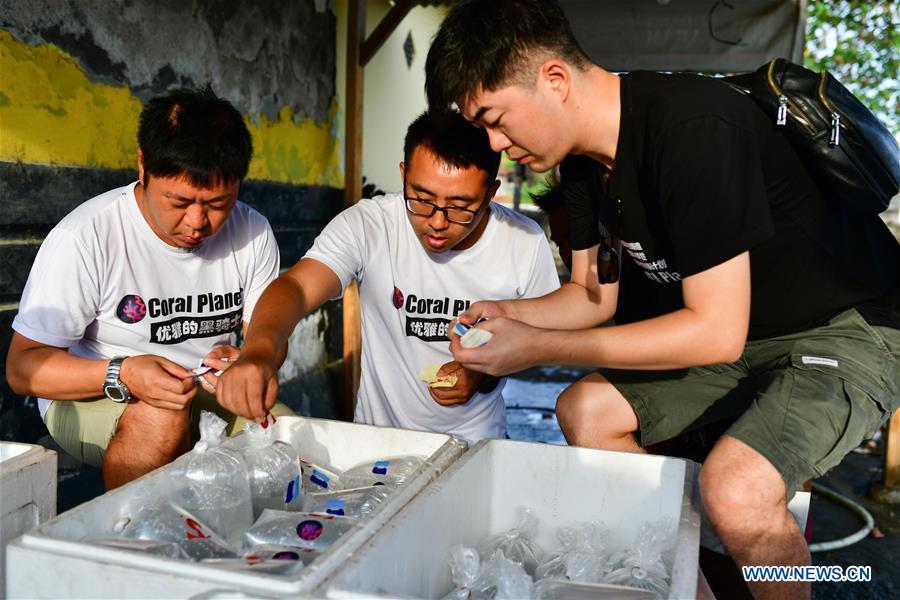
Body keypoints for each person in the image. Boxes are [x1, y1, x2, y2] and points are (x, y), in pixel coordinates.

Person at [425, 1, 900, 598]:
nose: (495, 142)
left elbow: (714, 333)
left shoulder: (691, 128)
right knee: (586, 412)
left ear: (554, 78)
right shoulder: (580, 166)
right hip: (752, 332)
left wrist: (537, 347)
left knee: (737, 488)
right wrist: (511, 315)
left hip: (851, 328)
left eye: (495, 118)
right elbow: (591, 295)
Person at [7, 89, 292, 490]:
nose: (197, 221)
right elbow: (22, 369)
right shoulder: (87, 236)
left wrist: (249, 360)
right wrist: (121, 373)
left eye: (218, 203)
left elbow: (269, 335)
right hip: (94, 394)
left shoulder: (253, 231)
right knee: (161, 418)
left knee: (290, 440)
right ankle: (132, 542)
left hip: (204, 391)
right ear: (143, 165)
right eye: (178, 201)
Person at [215, 111, 559, 443]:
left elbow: (541, 341)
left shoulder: (523, 242)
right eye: (421, 199)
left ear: (490, 192)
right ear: (403, 174)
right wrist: (258, 351)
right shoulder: (370, 225)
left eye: (459, 206)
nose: (437, 222)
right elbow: (297, 287)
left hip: (475, 445)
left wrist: (482, 373)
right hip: (379, 445)